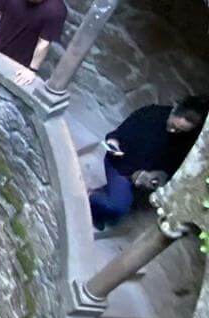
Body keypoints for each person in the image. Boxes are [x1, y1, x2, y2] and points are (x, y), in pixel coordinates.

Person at [89, 96, 208, 229]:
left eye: (181, 130)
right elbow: (116, 135)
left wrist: (156, 175)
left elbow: (172, 166)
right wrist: (113, 144)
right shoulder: (150, 115)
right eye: (173, 125)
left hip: (143, 177)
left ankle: (99, 209)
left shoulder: (186, 140)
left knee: (118, 205)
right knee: (119, 207)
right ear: (174, 110)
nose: (174, 131)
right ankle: (91, 197)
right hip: (120, 165)